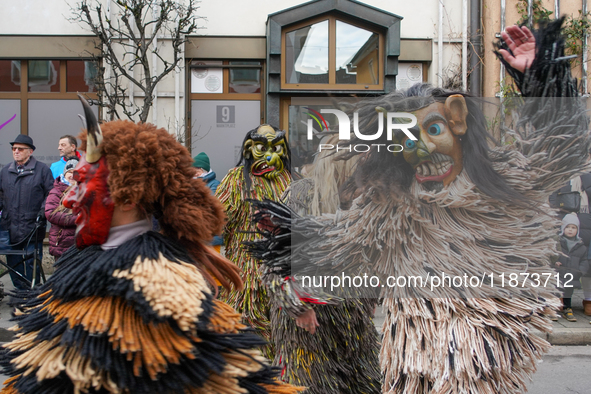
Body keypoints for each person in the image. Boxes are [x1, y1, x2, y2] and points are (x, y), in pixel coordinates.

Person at [253, 20, 589, 393]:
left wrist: (540, 76)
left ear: (457, 122)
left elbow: (558, 145)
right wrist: (290, 236)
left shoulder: (505, 180)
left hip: (484, 349)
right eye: (406, 137)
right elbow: (345, 242)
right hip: (413, 353)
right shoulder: (390, 203)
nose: (421, 150)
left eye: (431, 131)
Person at [0, 98, 301, 394]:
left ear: (128, 199)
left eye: (83, 186)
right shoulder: (81, 271)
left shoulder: (165, 298)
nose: (68, 199)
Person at [216, 124, 291, 359]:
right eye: (262, 148)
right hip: (246, 273)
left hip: (285, 275)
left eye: (276, 149)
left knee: (285, 335)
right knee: (248, 330)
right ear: (249, 150)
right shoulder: (237, 180)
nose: (270, 156)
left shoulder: (291, 181)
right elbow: (216, 220)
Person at [0, 134, 53, 290]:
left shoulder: (42, 170)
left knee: (32, 262)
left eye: (20, 149)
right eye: (14, 148)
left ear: (30, 152)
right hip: (10, 226)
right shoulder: (5, 171)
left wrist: (43, 213)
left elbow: (50, 194)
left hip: (32, 225)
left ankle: (33, 291)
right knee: (12, 262)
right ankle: (21, 291)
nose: (16, 151)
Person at [549, 174, 591, 317]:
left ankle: (586, 300)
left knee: (581, 264)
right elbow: (552, 196)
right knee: (560, 268)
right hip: (564, 222)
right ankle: (560, 300)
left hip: (584, 225)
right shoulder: (563, 174)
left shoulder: (586, 176)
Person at [551, 213, 589, 322]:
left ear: (577, 230)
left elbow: (584, 261)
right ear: (563, 228)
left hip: (572, 274)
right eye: (567, 227)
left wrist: (580, 271)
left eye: (573, 227)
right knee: (555, 290)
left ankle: (567, 308)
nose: (570, 230)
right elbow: (551, 255)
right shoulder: (558, 242)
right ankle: (553, 308)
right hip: (559, 273)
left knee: (568, 292)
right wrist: (555, 262)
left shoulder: (580, 245)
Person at [45, 156, 78, 260]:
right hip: (62, 244)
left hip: (81, 244)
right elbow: (51, 214)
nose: (72, 175)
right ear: (64, 173)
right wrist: (78, 218)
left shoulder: (86, 192)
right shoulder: (56, 192)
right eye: (69, 172)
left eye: (75, 172)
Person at [193, 152, 222, 250]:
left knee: (212, 263)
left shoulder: (215, 184)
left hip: (212, 236)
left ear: (204, 170)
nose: (195, 172)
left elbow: (211, 205)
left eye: (198, 170)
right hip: (198, 234)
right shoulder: (193, 183)